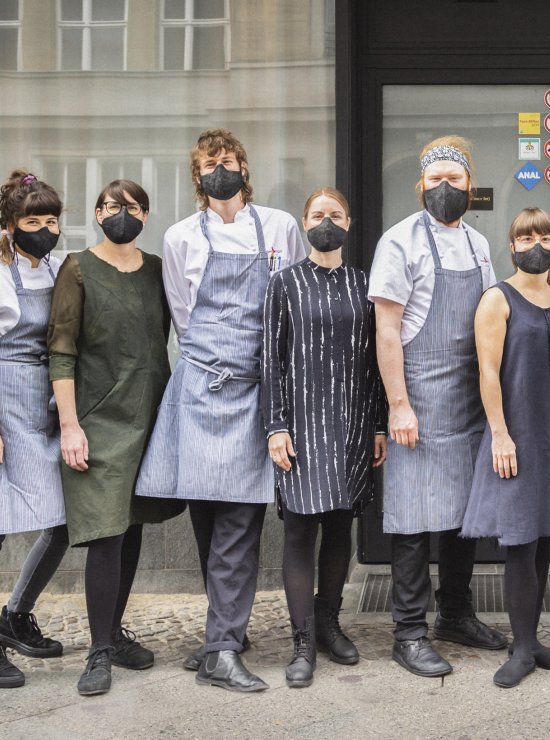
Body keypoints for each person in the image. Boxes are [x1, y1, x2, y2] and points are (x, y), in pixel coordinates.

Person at [136, 129, 307, 693]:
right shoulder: (182, 236)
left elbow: (295, 299)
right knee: (207, 519)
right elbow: (184, 317)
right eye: (211, 163)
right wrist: (215, 360)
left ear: (244, 168)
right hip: (201, 385)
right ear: (198, 174)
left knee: (240, 520)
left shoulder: (280, 226)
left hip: (257, 388)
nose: (221, 169)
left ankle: (222, 649)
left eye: (229, 160)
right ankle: (223, 630)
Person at [370, 136, 507, 677]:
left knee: (458, 518)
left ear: (470, 185)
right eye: (435, 180)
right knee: (411, 520)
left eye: (455, 179)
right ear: (420, 186)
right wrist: (398, 405)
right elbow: (386, 333)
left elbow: (489, 321)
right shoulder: (398, 242)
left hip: (467, 399)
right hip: (419, 401)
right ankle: (408, 631)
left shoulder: (477, 244)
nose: (445, 188)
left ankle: (455, 613)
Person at [50, 179, 181, 698]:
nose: (115, 213)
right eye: (106, 206)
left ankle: (115, 634)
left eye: (126, 207)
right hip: (98, 418)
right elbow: (60, 349)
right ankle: (98, 652)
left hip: (150, 413)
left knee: (132, 527)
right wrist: (69, 424)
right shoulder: (78, 268)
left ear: (145, 215)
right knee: (105, 533)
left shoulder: (156, 270)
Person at [264, 187, 387, 689]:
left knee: (340, 527)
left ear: (350, 222)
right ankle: (301, 637)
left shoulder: (366, 284)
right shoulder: (284, 283)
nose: (327, 222)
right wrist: (275, 425)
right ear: (304, 223)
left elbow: (378, 360)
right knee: (299, 530)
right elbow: (271, 358)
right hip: (301, 424)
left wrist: (378, 422)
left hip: (353, 422)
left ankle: (330, 623)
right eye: (318, 215)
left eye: (335, 214)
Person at [0, 171, 70, 691]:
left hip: (44, 405)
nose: (45, 229)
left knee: (65, 520)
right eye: (33, 221)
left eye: (51, 220)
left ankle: (16, 614)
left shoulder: (56, 270)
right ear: (9, 224)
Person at [460, 208, 550, 689]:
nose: (537, 243)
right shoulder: (497, 298)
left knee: (545, 536)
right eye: (526, 236)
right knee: (520, 542)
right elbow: (487, 373)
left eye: (546, 235)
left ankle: (529, 638)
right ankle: (522, 646)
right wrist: (501, 434)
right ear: (511, 246)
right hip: (517, 433)